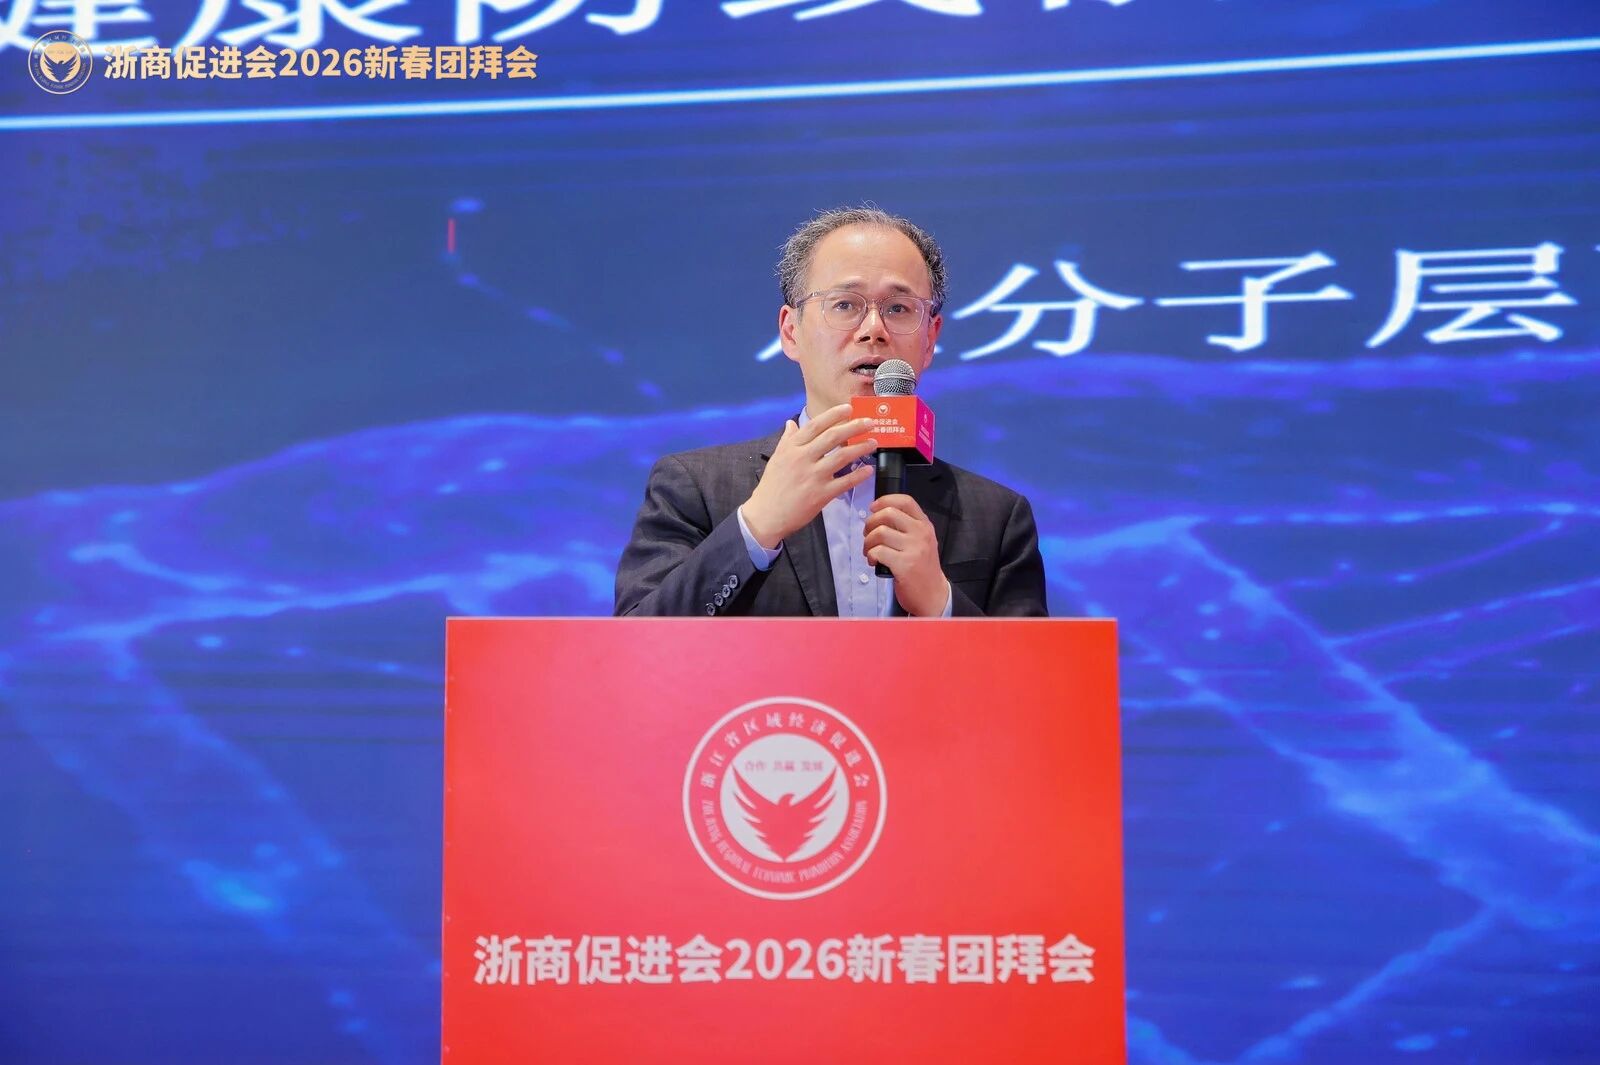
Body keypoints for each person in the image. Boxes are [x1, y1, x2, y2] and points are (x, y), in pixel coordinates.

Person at [614, 206, 1048, 618]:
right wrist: (755, 529)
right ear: (791, 332)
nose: (874, 330)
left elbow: (1034, 670)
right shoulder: (695, 488)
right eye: (845, 305)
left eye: (898, 308)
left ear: (930, 339)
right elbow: (634, 648)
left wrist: (941, 603)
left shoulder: (997, 516)